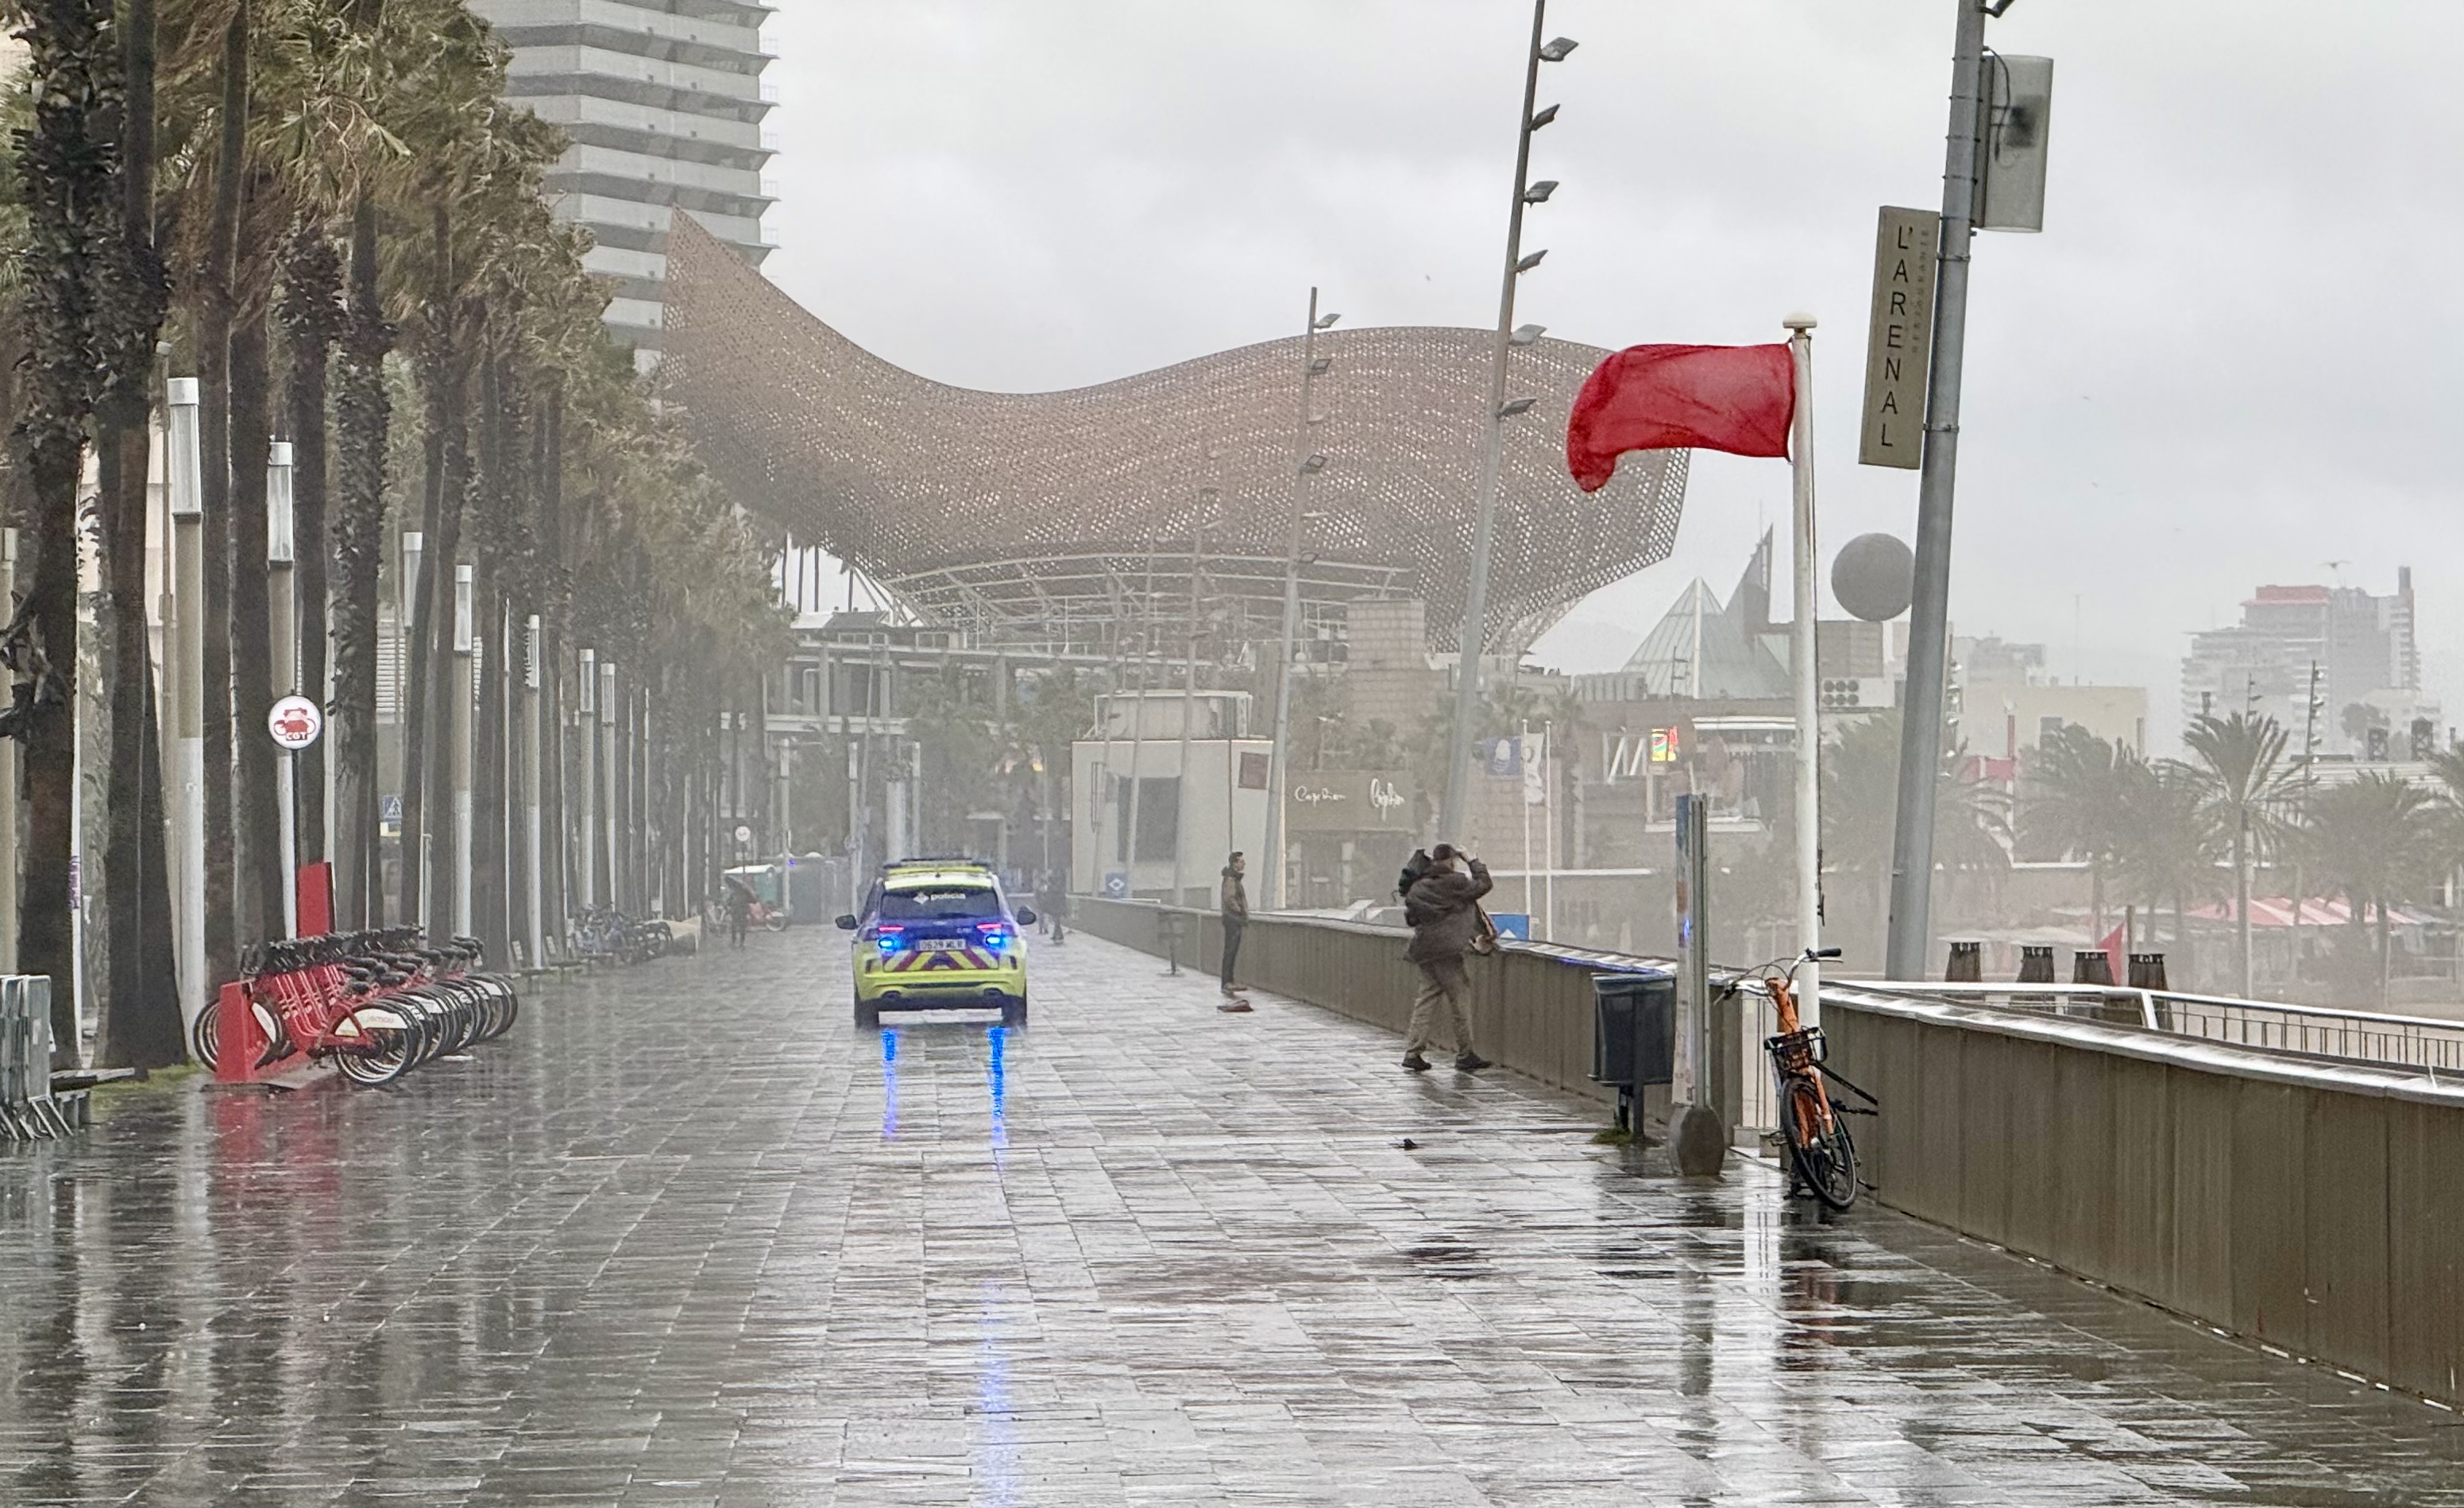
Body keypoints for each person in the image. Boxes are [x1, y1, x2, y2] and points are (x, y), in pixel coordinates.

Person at [1400, 843, 1493, 1073]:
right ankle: (1465, 1053)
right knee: (1460, 999)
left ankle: (1413, 1053)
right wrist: (1473, 861)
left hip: (1424, 949)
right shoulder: (1456, 882)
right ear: (1452, 860)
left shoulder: (1419, 887)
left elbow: (1412, 919)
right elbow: (1484, 885)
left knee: (1426, 998)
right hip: (1447, 951)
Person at [1217, 851, 1252, 1011]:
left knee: (1230, 950)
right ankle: (1227, 982)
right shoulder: (1231, 879)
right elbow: (1230, 898)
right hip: (1233, 919)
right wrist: (1239, 912)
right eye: (1241, 861)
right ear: (1234, 863)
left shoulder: (1231, 878)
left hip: (1231, 918)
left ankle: (1228, 981)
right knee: (1231, 950)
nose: (1243, 864)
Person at [722, 876, 755, 949]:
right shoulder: (734, 894)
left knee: (741, 928)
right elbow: (729, 902)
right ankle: (735, 941)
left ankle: (741, 943)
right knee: (735, 927)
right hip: (736, 912)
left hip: (742, 912)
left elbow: (753, 900)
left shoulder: (745, 893)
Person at [1036, 870, 1067, 944]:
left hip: (1056, 907)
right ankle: (1057, 935)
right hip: (1057, 907)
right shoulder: (1057, 887)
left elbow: (1049, 898)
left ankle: (1059, 935)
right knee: (1057, 921)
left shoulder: (1052, 888)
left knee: (1057, 922)